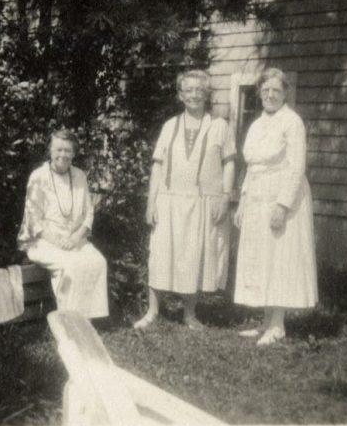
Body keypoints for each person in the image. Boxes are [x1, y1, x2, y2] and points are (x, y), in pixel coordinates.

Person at [134, 70, 236, 330]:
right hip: (169, 200)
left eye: (199, 90)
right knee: (160, 255)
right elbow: (157, 166)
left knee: (194, 256)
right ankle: (152, 311)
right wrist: (151, 202)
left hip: (203, 201)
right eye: (188, 90)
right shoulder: (170, 126)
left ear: (207, 94)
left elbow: (229, 164)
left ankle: (189, 314)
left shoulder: (219, 126)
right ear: (180, 95)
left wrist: (225, 198)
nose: (194, 95)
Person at [233, 68, 318, 346]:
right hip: (257, 194)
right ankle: (267, 322)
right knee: (262, 257)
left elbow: (296, 167)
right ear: (260, 93)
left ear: (285, 94)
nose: (270, 95)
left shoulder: (292, 122)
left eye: (276, 91)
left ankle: (279, 325)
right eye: (266, 90)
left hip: (281, 196)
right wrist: (243, 201)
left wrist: (283, 205)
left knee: (279, 257)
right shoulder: (257, 125)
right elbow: (251, 167)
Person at [17, 129, 109, 319]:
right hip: (42, 240)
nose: (63, 155)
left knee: (98, 262)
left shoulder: (79, 176)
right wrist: (58, 241)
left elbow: (88, 212)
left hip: (74, 239)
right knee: (71, 265)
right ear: (50, 151)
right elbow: (33, 219)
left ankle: (87, 320)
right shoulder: (38, 176)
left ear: (74, 153)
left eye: (68, 151)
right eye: (58, 150)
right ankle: (69, 321)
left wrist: (75, 238)